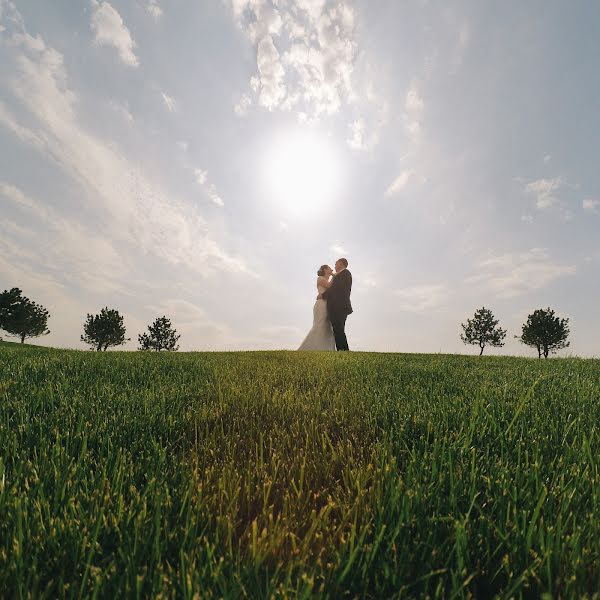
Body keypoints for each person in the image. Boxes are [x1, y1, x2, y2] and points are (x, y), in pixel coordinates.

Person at [297, 264, 336, 351]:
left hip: (327, 304)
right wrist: (335, 276)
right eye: (330, 268)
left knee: (327, 326)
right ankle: (311, 347)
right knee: (320, 324)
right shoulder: (320, 278)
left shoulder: (328, 280)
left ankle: (326, 348)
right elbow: (329, 286)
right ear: (325, 270)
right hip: (321, 304)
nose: (332, 270)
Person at [319, 258, 352, 351]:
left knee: (338, 329)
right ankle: (342, 350)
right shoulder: (341, 275)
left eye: (336, 264)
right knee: (338, 329)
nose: (334, 266)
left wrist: (323, 295)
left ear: (341, 264)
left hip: (339, 306)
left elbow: (335, 289)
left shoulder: (345, 273)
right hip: (338, 306)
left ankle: (343, 351)